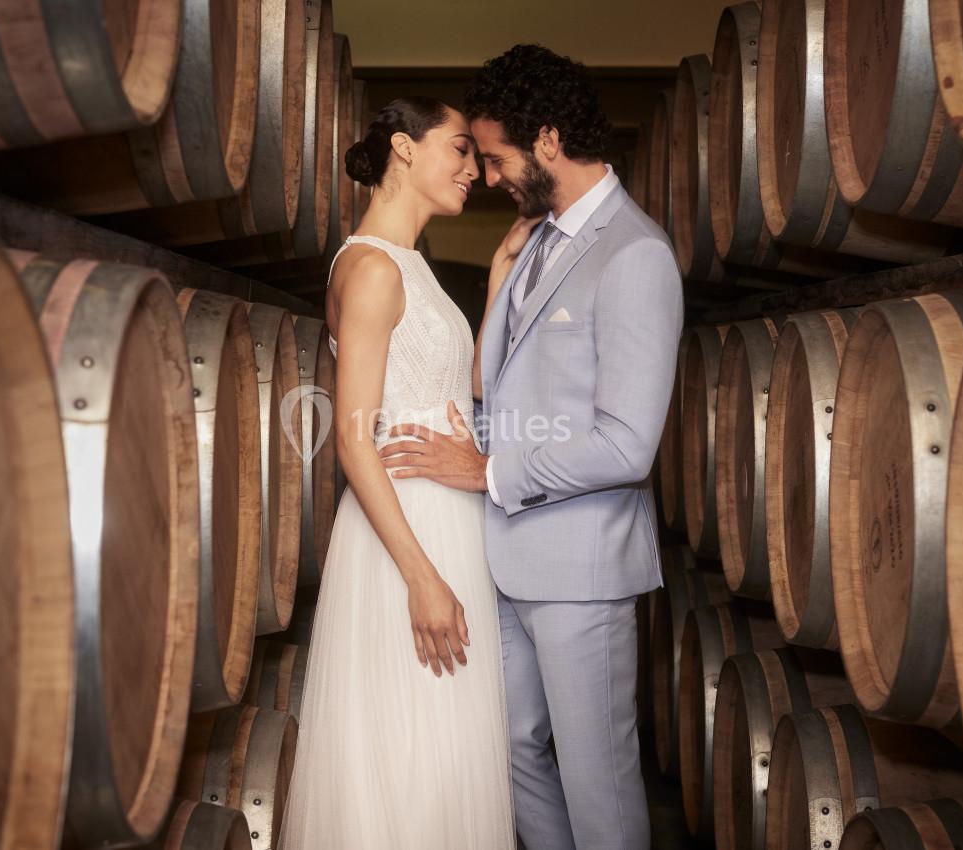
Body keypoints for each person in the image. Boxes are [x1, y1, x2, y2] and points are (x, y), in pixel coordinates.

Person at [379, 45, 683, 850]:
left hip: (581, 570)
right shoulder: (532, 240)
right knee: (510, 753)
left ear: (548, 140)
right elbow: (498, 385)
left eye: (497, 157)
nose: (488, 176)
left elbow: (628, 445)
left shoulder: (635, 253)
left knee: (598, 781)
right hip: (503, 560)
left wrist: (488, 470)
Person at [278, 96, 520, 850]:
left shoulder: (408, 263)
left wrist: (499, 282)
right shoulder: (373, 269)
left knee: (446, 757)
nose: (474, 171)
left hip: (444, 521)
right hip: (406, 535)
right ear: (405, 149)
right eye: (460, 149)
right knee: (412, 756)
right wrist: (421, 578)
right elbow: (354, 442)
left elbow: (460, 389)